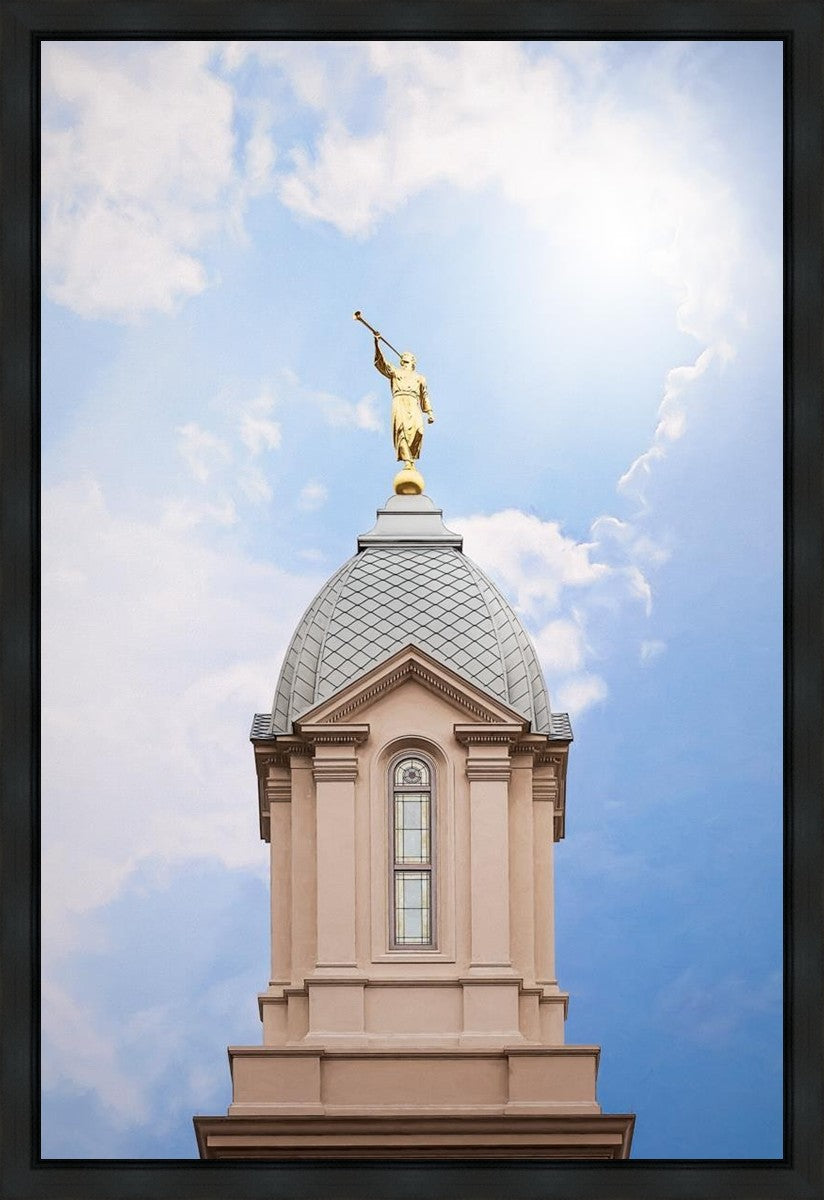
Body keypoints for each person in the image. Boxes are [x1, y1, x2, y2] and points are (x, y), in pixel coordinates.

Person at [373, 335, 435, 471]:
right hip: (400, 400)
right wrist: (377, 344)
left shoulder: (419, 378)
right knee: (401, 430)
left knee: (419, 430)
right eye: (404, 355)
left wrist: (430, 412)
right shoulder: (396, 372)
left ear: (413, 361)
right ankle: (407, 461)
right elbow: (382, 363)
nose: (404, 356)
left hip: (413, 402)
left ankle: (411, 456)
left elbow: (424, 396)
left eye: (408, 355)